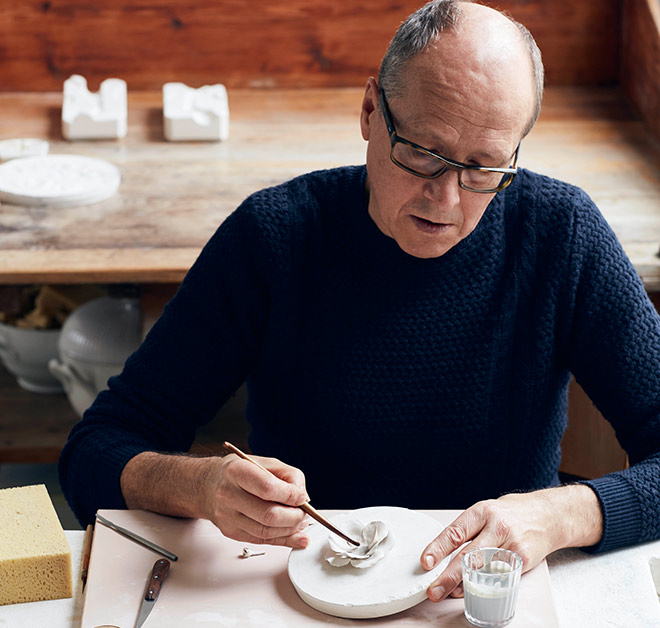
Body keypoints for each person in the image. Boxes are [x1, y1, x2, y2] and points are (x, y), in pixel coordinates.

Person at [59, 0, 660, 603]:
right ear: (371, 110)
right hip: (299, 597)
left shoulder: (562, 235)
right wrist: (197, 487)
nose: (446, 200)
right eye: (423, 152)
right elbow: (96, 450)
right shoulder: (275, 238)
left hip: (487, 601)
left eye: (483, 169)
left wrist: (565, 515)